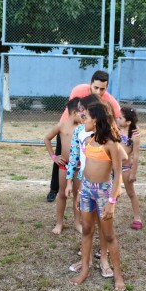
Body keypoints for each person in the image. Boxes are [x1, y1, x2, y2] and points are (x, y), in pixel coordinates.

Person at [69, 102, 125, 291]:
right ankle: (85, 269)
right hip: (86, 191)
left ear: (97, 120)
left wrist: (112, 201)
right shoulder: (88, 141)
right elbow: (86, 169)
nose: (83, 119)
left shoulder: (112, 144)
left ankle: (118, 275)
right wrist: (78, 194)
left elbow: (118, 175)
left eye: (86, 116)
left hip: (103, 193)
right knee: (86, 230)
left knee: (108, 235)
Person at [47, 70, 121, 202]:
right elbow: (72, 110)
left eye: (102, 89)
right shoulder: (79, 90)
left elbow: (117, 119)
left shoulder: (109, 101)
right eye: (96, 87)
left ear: (107, 87)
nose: (98, 91)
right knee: (62, 159)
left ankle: (88, 190)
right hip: (70, 129)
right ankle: (54, 189)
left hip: (87, 132)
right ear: (90, 84)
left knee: (87, 160)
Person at [44, 97, 82, 234]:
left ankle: (77, 223)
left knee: (78, 194)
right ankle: (59, 223)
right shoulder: (61, 126)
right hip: (64, 165)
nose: (84, 115)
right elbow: (47, 139)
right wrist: (54, 157)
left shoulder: (84, 128)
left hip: (79, 167)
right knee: (62, 194)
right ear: (73, 113)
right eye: (82, 112)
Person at [117, 105, 142, 229]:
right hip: (112, 167)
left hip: (126, 168)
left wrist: (133, 172)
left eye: (120, 118)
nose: (118, 119)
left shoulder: (134, 135)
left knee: (131, 193)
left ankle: (137, 217)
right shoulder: (115, 130)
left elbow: (136, 156)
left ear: (128, 122)